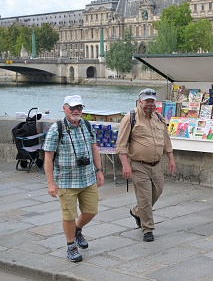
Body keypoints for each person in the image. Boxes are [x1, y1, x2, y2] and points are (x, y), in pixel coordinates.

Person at [43, 95, 104, 262]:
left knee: (91, 210)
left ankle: (77, 230)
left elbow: (94, 148)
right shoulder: (57, 129)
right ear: (64, 108)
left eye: (79, 107)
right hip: (66, 180)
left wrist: (99, 170)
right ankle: (71, 245)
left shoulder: (86, 125)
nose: (76, 110)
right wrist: (51, 183)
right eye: (73, 107)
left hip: (87, 178)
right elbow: (48, 157)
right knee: (69, 215)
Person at [116, 88, 176, 242]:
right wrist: (125, 165)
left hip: (156, 164)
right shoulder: (130, 117)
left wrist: (171, 158)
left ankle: (137, 212)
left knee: (158, 190)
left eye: (152, 101)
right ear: (139, 101)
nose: (149, 104)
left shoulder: (158, 117)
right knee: (144, 197)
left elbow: (166, 140)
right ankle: (147, 229)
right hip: (138, 164)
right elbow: (121, 145)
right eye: (146, 101)